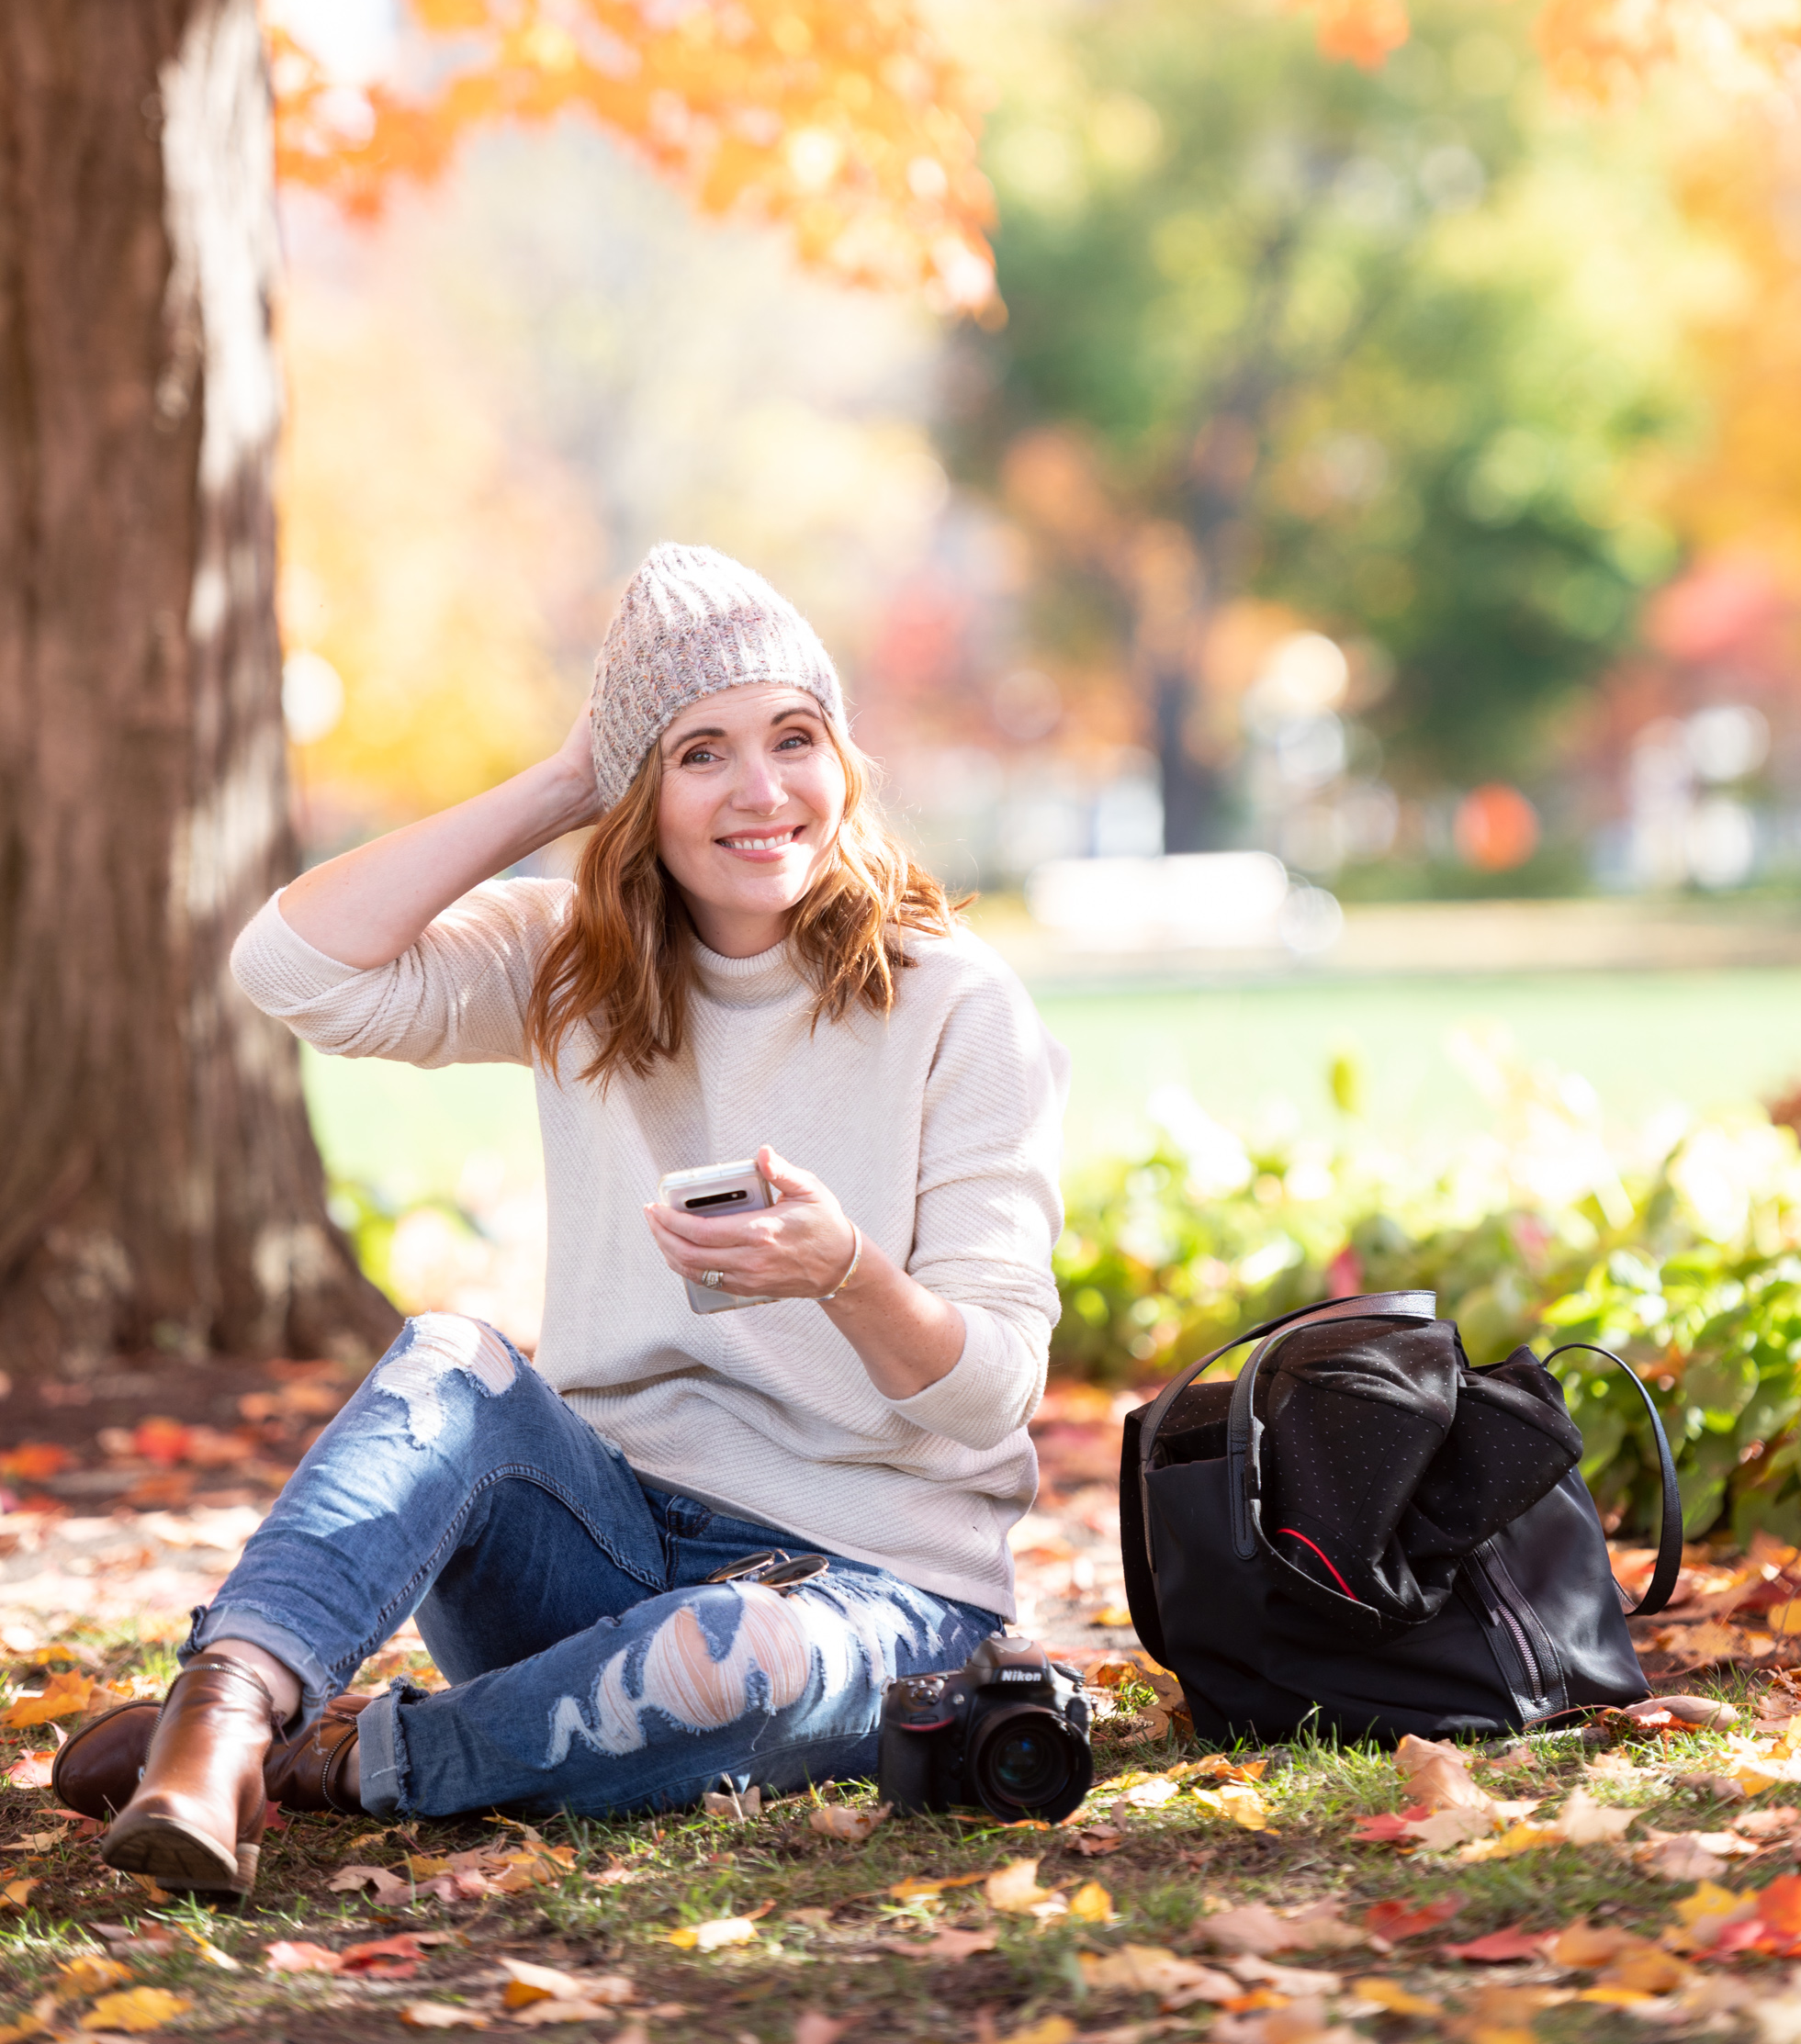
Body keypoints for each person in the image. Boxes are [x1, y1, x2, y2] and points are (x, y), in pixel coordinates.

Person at [71, 545, 1068, 1899]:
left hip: (876, 1587)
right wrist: (559, 778)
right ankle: (230, 1707)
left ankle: (344, 1763)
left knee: (739, 1657)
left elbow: (992, 1393)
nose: (764, 791)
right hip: (598, 1546)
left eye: (795, 738)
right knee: (449, 1360)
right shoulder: (573, 962)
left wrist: (846, 1274)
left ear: (844, 756)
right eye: (699, 753)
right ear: (636, 788)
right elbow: (290, 968)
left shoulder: (957, 1003)